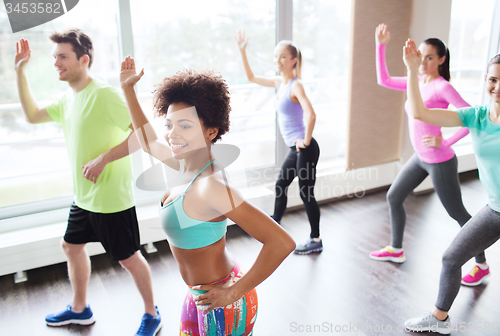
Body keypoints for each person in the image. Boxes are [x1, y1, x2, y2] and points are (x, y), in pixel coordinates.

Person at [120, 55, 296, 336]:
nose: (172, 135)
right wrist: (128, 90)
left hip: (223, 301)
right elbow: (149, 141)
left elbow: (282, 242)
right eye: (170, 125)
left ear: (211, 130)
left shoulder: (209, 186)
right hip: (199, 295)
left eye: (185, 126)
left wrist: (232, 293)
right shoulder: (183, 165)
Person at [14, 30, 162, 336]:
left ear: (84, 60)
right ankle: (80, 310)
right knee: (71, 246)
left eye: (63, 56)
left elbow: (145, 135)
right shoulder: (69, 99)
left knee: (129, 260)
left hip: (111, 200)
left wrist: (106, 157)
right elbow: (31, 115)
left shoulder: (104, 94)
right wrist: (20, 71)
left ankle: (152, 314)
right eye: (54, 56)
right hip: (83, 198)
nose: (56, 62)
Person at [369, 24, 487, 284]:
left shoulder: (442, 87)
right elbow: (384, 80)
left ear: (441, 59)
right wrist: (381, 45)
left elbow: (472, 118)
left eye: (429, 57)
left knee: (457, 213)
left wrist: (445, 141)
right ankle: (396, 249)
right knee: (394, 196)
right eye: (420, 56)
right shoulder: (418, 81)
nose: (422, 62)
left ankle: (481, 264)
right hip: (421, 158)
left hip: (440, 161)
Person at [402, 39, 500, 333]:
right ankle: (440, 317)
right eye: (493, 79)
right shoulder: (477, 116)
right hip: (495, 209)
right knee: (451, 257)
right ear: (485, 80)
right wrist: (410, 69)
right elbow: (419, 113)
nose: (497, 87)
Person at [235, 30, 321, 255]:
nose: (278, 61)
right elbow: (251, 78)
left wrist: (306, 140)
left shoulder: (295, 85)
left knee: (306, 193)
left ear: (293, 60)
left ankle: (315, 239)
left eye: (283, 56)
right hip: (297, 148)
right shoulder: (278, 83)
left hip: (306, 148)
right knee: (281, 185)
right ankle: (274, 227)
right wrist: (242, 50)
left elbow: (311, 115)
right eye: (276, 57)